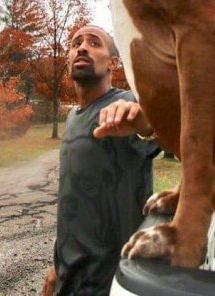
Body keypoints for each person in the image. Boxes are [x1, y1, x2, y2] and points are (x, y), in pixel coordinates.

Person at [42, 24, 160, 296]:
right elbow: (72, 204)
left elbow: (171, 139)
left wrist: (145, 123)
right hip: (68, 277)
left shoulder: (128, 104)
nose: (82, 47)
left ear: (113, 64)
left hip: (111, 281)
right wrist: (56, 265)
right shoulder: (72, 117)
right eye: (75, 44)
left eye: (94, 43)